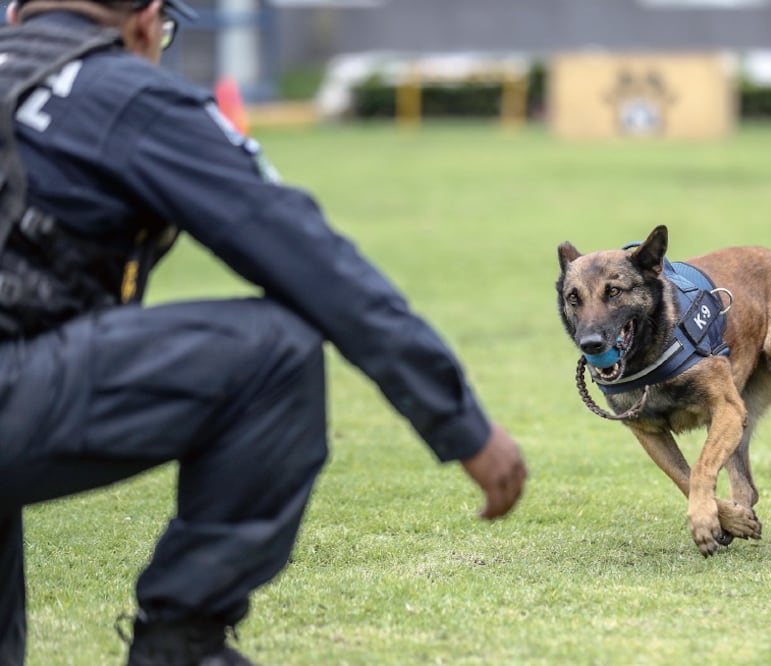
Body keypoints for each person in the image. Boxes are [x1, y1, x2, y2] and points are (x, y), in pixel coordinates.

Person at [0, 0, 528, 664]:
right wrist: (458, 420)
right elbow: (308, 258)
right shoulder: (130, 95)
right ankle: (180, 648)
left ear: (17, 16)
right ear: (147, 22)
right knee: (273, 351)